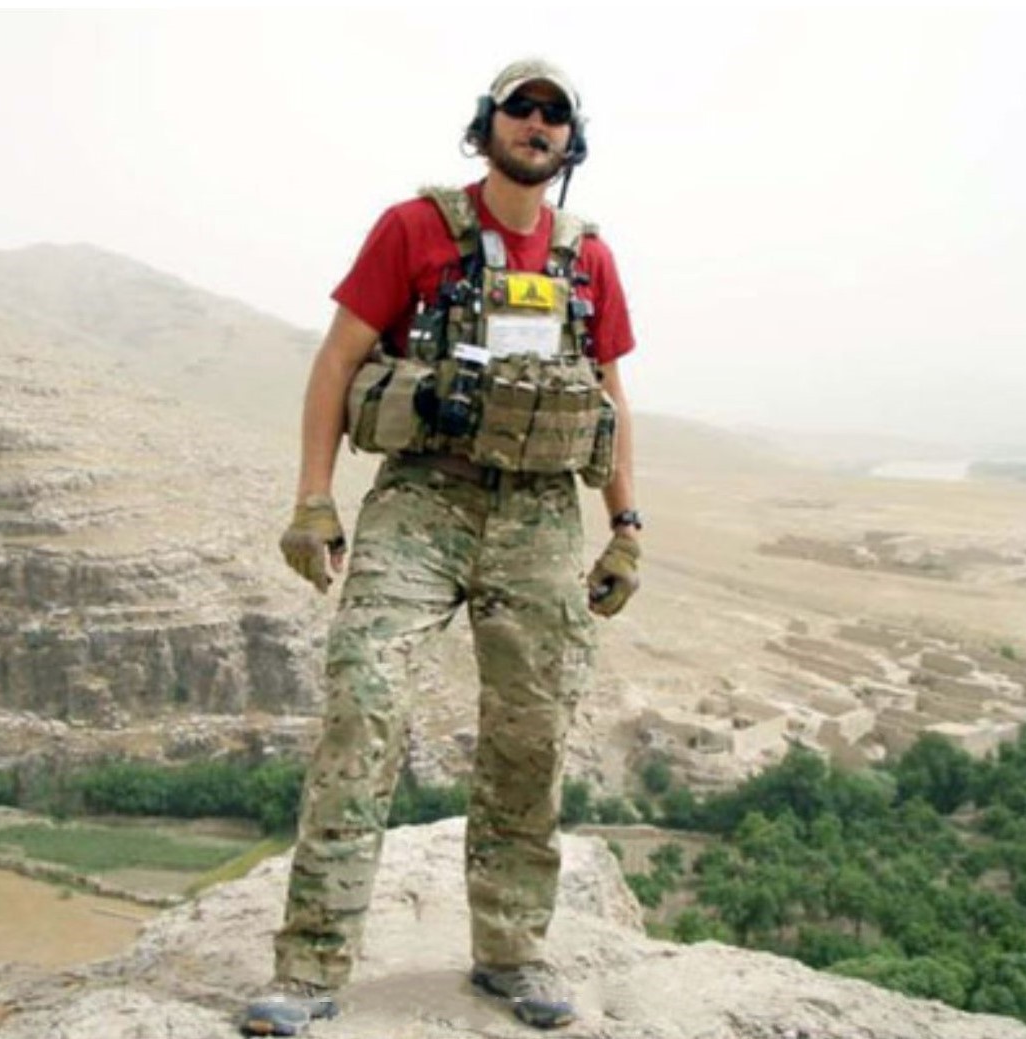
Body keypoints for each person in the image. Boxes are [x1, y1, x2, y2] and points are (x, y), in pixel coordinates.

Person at [244, 57, 641, 1037]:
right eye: (521, 107)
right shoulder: (414, 228)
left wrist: (625, 527)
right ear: (488, 124)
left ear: (568, 142)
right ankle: (310, 966)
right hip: (424, 499)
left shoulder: (587, 255)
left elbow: (611, 396)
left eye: (554, 115)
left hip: (542, 512)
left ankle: (511, 952)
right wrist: (311, 500)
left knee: (530, 732)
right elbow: (338, 360)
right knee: (363, 705)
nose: (536, 125)